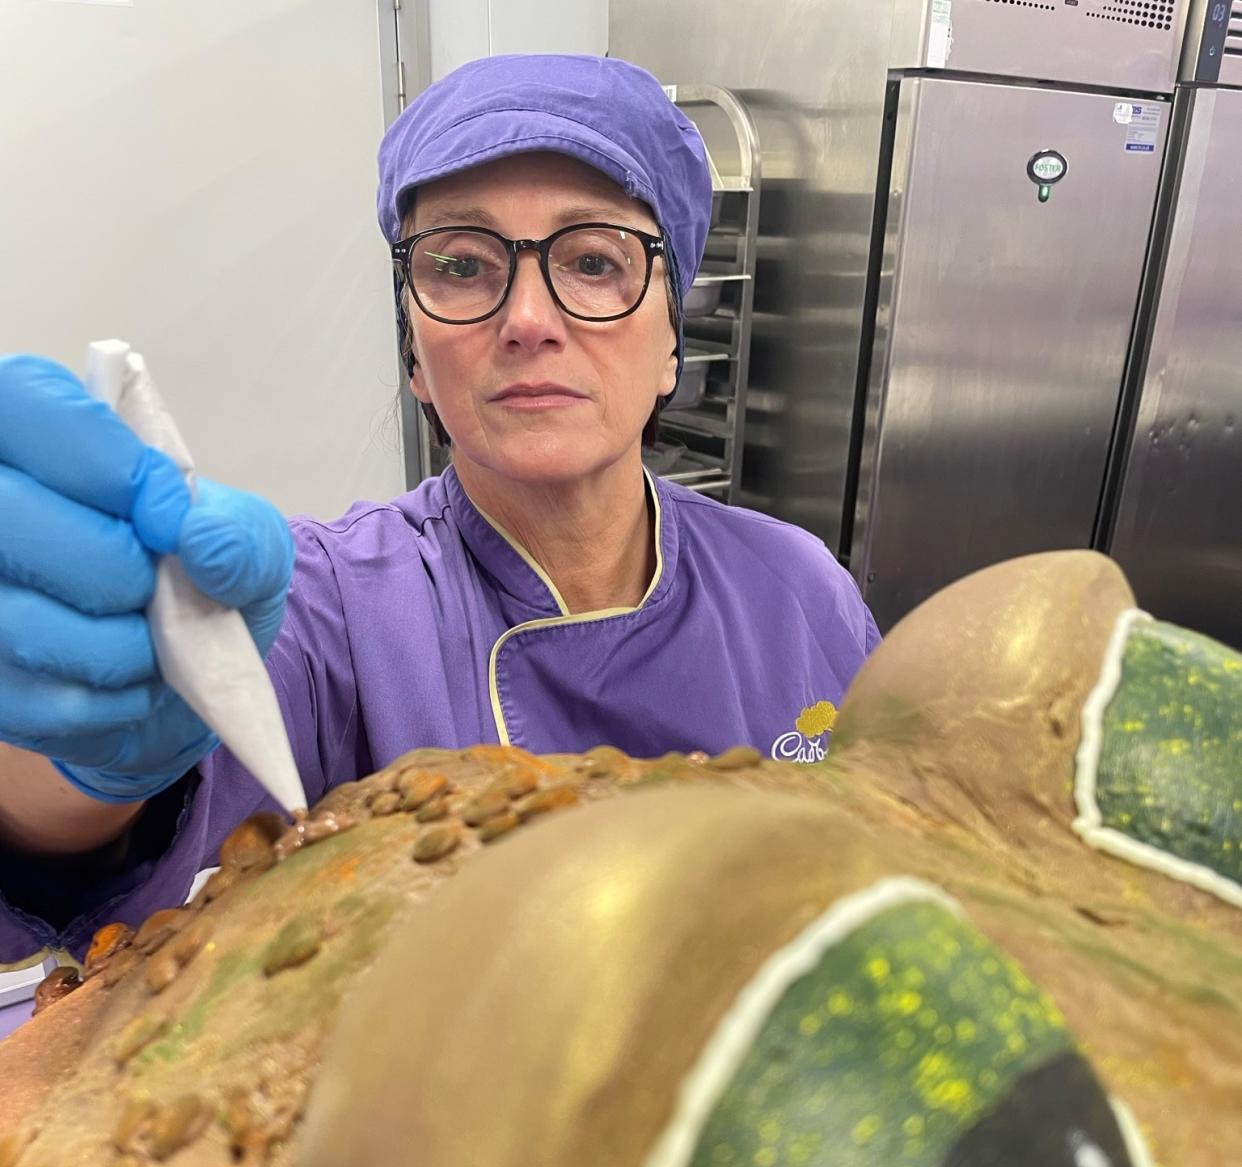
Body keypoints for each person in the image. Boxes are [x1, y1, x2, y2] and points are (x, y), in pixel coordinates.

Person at [0, 54, 879, 969]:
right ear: (417, 356)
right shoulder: (331, 605)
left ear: (671, 345)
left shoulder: (800, 589)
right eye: (461, 264)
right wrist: (72, 763)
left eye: (593, 260)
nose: (530, 318)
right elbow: (93, 842)